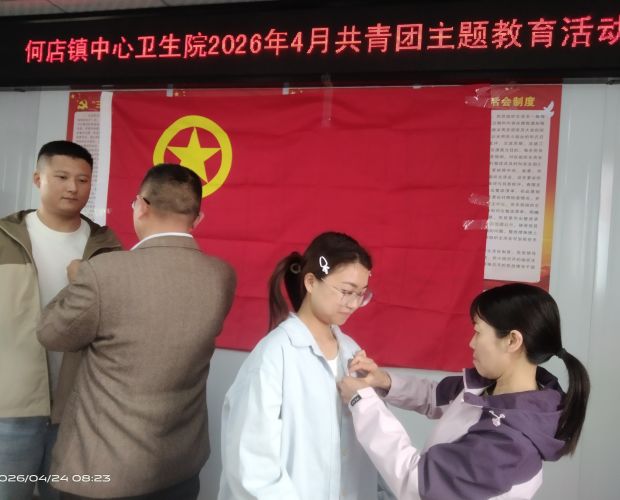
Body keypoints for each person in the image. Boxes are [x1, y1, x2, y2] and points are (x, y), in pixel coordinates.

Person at [37, 163, 236, 500]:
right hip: (180, 465)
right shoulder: (221, 275)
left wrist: (76, 280)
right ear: (197, 219)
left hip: (104, 470)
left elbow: (51, 334)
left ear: (141, 206)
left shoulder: (103, 272)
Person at [338, 283, 590, 500]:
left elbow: (417, 481)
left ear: (512, 340)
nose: (471, 342)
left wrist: (361, 401)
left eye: (478, 332)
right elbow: (435, 396)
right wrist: (383, 381)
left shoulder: (510, 444)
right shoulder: (496, 389)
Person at [218, 231, 394, 500]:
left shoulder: (352, 353)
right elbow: (251, 464)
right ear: (311, 282)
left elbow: (374, 443)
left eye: (361, 294)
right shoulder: (275, 354)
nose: (353, 304)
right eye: (346, 291)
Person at [0, 140, 121, 500]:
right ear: (38, 179)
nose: (73, 187)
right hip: (11, 406)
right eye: (62, 177)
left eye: (83, 180)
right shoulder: (5, 238)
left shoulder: (106, 247)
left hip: (78, 409)